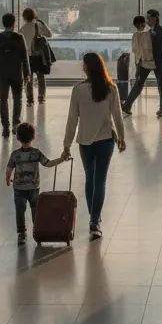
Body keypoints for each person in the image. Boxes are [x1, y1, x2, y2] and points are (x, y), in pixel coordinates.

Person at [63, 52, 127, 240]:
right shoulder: (111, 88)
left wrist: (66, 144)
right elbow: (118, 115)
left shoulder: (78, 90)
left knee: (90, 179)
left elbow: (72, 120)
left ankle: (94, 218)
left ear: (86, 67)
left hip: (85, 141)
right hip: (106, 140)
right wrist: (122, 137)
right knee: (99, 180)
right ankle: (94, 220)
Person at [6, 122, 67, 244]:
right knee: (36, 210)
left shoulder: (15, 154)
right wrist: (61, 159)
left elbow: (9, 168)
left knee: (20, 210)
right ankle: (37, 230)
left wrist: (7, 179)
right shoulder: (36, 153)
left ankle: (22, 233)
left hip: (18, 189)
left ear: (17, 137)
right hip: (34, 188)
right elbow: (48, 163)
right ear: (33, 137)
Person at [0, 12, 30, 139]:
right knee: (18, 99)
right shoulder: (19, 37)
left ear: (3, 23)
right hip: (17, 73)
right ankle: (15, 125)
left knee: (3, 100)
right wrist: (27, 73)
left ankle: (5, 127)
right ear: (14, 23)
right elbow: (25, 57)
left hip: (2, 74)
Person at [122, 15, 155, 116]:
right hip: (143, 63)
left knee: (140, 85)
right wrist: (137, 67)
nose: (139, 27)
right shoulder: (135, 35)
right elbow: (137, 53)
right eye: (137, 26)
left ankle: (127, 105)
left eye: (141, 25)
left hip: (153, 62)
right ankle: (127, 106)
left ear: (144, 23)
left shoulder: (151, 34)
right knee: (138, 85)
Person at [21, 8, 53, 107]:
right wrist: (42, 23)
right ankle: (41, 97)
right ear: (34, 16)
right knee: (41, 78)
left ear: (24, 17)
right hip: (39, 57)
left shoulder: (22, 29)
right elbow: (50, 34)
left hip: (28, 58)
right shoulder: (38, 26)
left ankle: (30, 99)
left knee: (28, 78)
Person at [146, 9, 162, 118]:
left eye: (150, 18)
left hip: (160, 62)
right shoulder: (146, 30)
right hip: (149, 60)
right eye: (147, 18)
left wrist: (154, 36)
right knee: (160, 85)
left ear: (155, 18)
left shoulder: (161, 31)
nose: (148, 20)